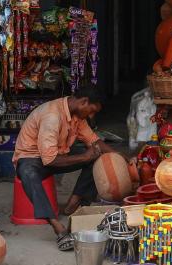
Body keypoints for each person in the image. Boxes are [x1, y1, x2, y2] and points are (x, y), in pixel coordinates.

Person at [12, 86, 127, 251]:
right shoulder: (52, 116)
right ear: (84, 102)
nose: (92, 115)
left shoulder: (77, 115)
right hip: (32, 158)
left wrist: (122, 157)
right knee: (29, 174)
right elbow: (49, 160)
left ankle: (75, 201)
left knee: (98, 157)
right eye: (92, 110)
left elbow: (94, 142)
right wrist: (84, 156)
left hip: (58, 154)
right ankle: (57, 227)